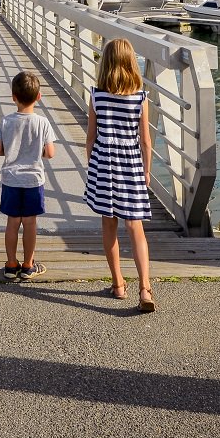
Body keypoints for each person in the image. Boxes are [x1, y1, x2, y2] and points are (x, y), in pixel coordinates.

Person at [85, 37, 155, 311]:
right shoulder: (140, 97)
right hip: (131, 164)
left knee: (109, 224)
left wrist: (94, 165)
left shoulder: (96, 95)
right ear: (130, 62)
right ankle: (145, 288)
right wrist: (146, 172)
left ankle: (118, 285)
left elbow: (90, 139)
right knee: (135, 227)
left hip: (104, 164)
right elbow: (146, 141)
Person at [0, 70, 58, 279]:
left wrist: (11, 149)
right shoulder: (43, 123)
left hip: (11, 179)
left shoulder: (6, 121)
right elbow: (49, 153)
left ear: (14, 97)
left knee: (13, 221)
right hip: (33, 179)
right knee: (29, 223)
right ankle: (28, 265)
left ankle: (11, 265)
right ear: (39, 97)